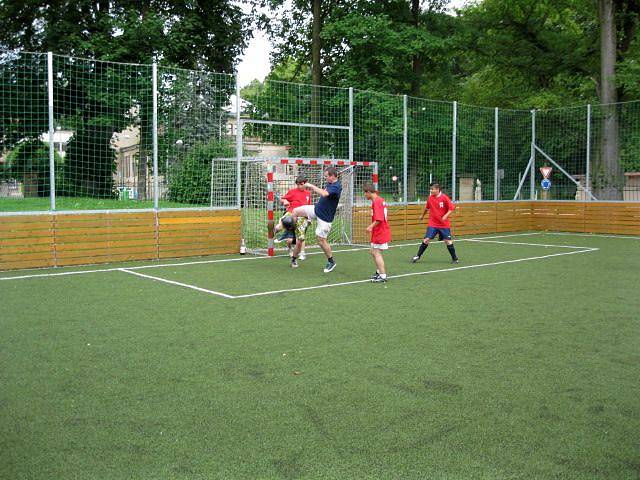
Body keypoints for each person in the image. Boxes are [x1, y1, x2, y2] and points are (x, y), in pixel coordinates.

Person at [291, 167, 342, 272]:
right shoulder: (330, 183)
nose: (325, 177)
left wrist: (310, 186)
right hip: (316, 210)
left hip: (325, 218)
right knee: (295, 212)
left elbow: (324, 194)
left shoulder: (336, 186)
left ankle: (331, 261)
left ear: (332, 176)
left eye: (327, 176)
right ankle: (292, 233)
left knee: (321, 240)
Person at [412, 182, 459, 264]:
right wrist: (422, 216)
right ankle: (418, 256)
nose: (431, 190)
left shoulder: (444, 198)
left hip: (443, 224)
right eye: (430, 189)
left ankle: (455, 259)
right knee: (426, 239)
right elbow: (427, 208)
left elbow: (451, 208)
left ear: (437, 189)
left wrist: (445, 216)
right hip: (433, 224)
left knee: (447, 241)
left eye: (432, 189)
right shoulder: (430, 198)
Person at [273, 175, 312, 259]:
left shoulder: (308, 194)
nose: (299, 186)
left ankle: (302, 253)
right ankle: (275, 231)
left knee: (301, 235)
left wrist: (309, 218)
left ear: (305, 184)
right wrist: (285, 201)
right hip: (291, 212)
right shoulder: (292, 191)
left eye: (301, 184)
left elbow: (308, 207)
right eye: (297, 184)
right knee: (283, 223)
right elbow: (283, 199)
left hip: (302, 216)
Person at [363, 183, 391, 283]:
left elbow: (379, 219)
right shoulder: (380, 200)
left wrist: (370, 226)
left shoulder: (376, 202)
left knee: (376, 252)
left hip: (380, 231)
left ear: (369, 192)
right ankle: (379, 272)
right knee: (373, 251)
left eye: (365, 193)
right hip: (380, 230)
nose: (364, 195)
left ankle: (383, 276)